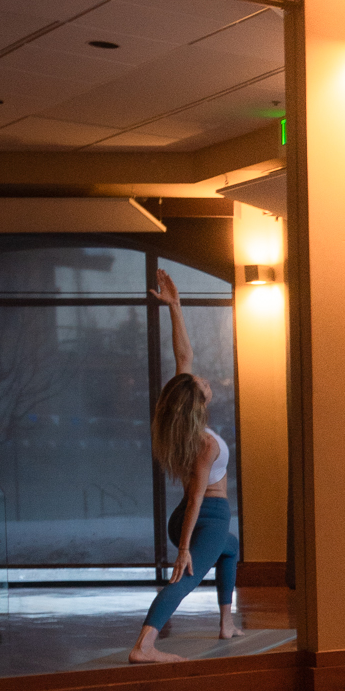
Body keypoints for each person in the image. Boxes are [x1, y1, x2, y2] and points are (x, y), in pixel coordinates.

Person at [128, 271, 242, 664]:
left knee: (232, 549)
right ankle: (144, 646)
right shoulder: (205, 444)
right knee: (186, 577)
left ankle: (226, 623)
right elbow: (195, 498)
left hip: (192, 517)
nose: (203, 379)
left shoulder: (183, 425)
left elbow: (184, 357)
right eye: (201, 384)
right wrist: (183, 550)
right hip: (204, 515)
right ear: (197, 403)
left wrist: (176, 308)